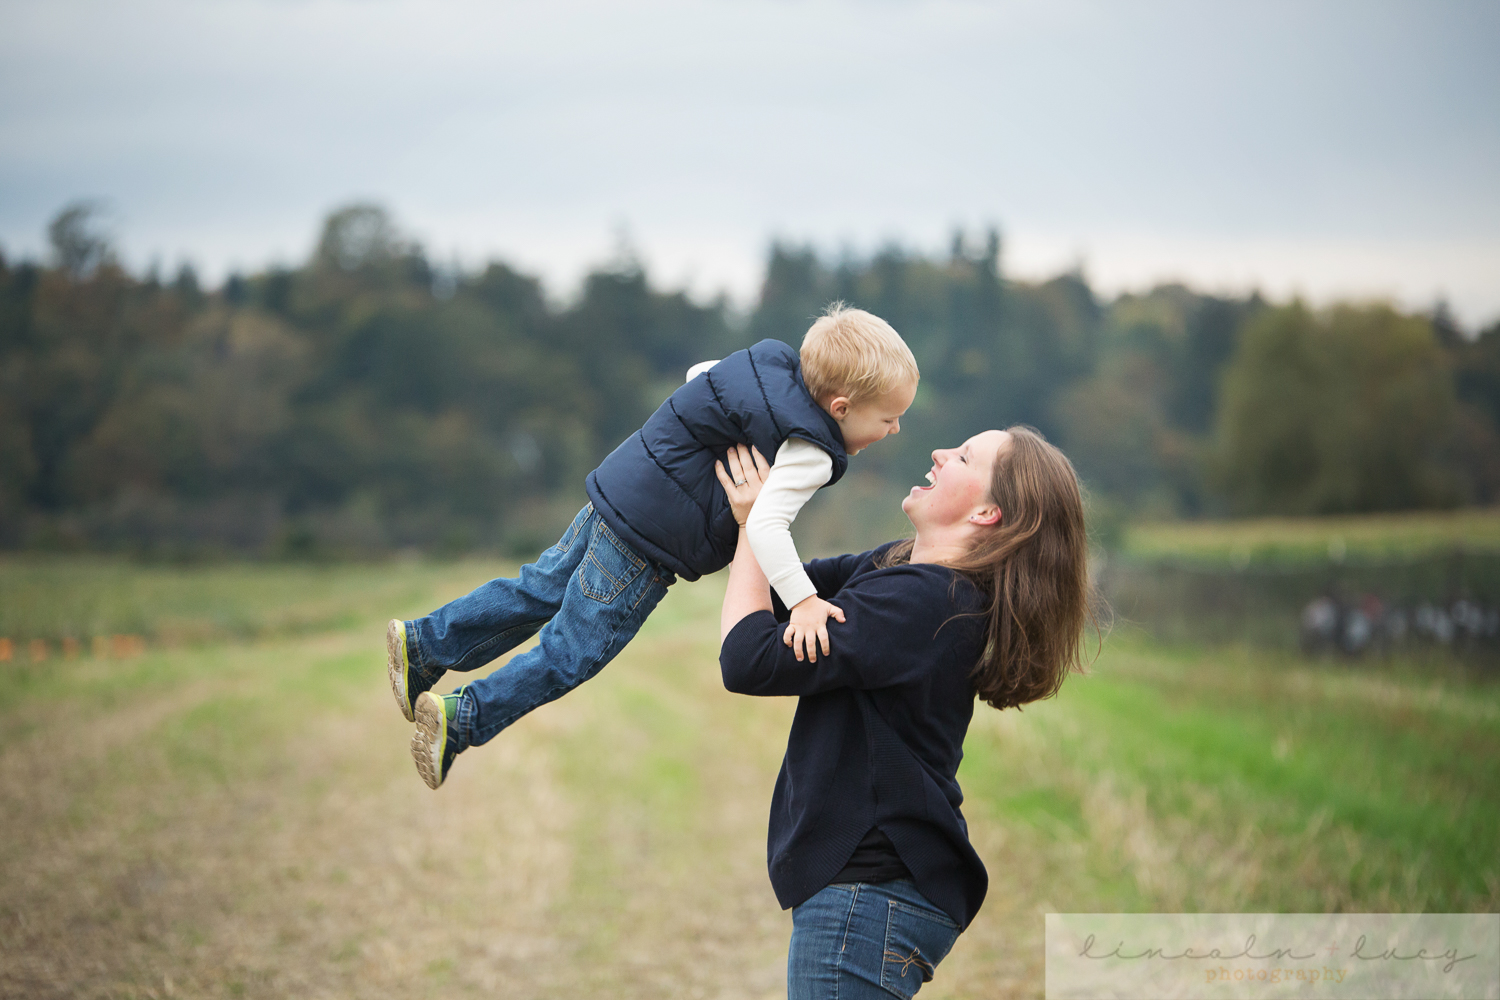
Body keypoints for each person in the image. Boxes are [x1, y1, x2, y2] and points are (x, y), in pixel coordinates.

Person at [389, 305, 920, 789]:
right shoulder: (811, 451)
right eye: (888, 417)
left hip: (617, 492)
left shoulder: (760, 367)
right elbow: (766, 526)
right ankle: (462, 718)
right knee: (571, 654)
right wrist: (803, 601)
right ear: (841, 406)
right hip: (646, 547)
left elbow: (699, 378)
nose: (895, 429)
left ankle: (425, 645)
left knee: (538, 588)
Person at [716, 426, 1093, 999]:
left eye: (965, 456)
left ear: (990, 511)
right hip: (874, 894)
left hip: (869, 895)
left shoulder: (925, 603)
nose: (940, 452)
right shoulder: (897, 569)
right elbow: (774, 592)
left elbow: (747, 658)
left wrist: (755, 525)